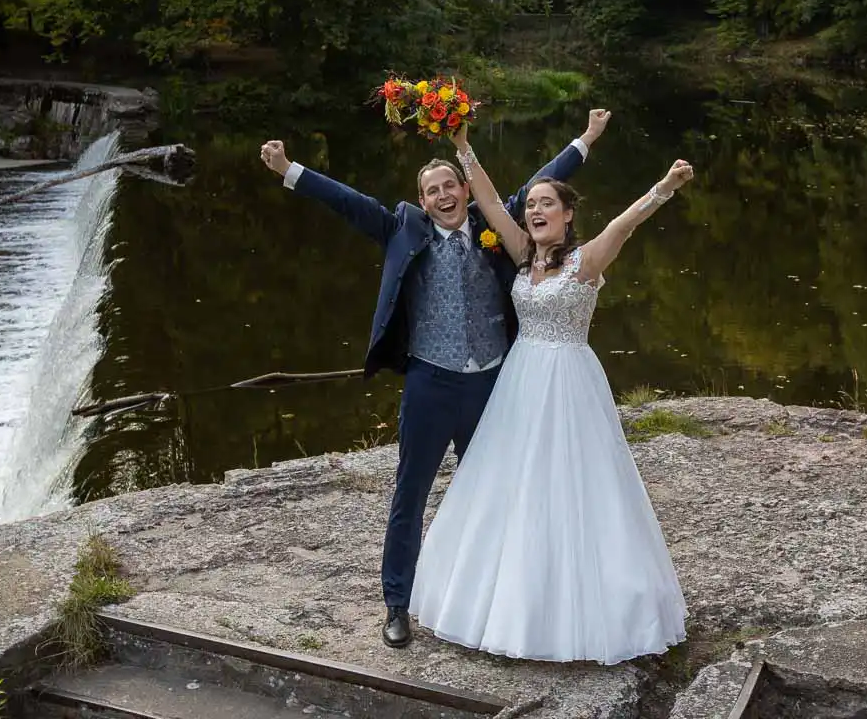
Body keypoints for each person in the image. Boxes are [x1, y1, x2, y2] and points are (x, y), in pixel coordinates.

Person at [258, 110, 611, 648]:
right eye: (432, 191)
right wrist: (289, 169)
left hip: (492, 387)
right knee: (411, 493)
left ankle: (488, 601)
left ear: (466, 189)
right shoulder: (403, 227)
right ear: (421, 201)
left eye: (450, 186)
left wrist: (585, 139)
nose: (443, 196)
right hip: (431, 383)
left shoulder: (498, 225)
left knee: (496, 496)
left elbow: (548, 180)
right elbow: (347, 201)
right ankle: (397, 604)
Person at [407, 124, 691, 664]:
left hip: (568, 383)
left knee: (574, 489)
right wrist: (464, 146)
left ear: (566, 214)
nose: (535, 210)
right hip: (519, 383)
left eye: (545, 203)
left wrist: (666, 186)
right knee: (508, 487)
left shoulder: (585, 262)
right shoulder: (520, 254)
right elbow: (487, 200)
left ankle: (581, 611)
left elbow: (626, 223)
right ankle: (499, 602)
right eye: (531, 203)